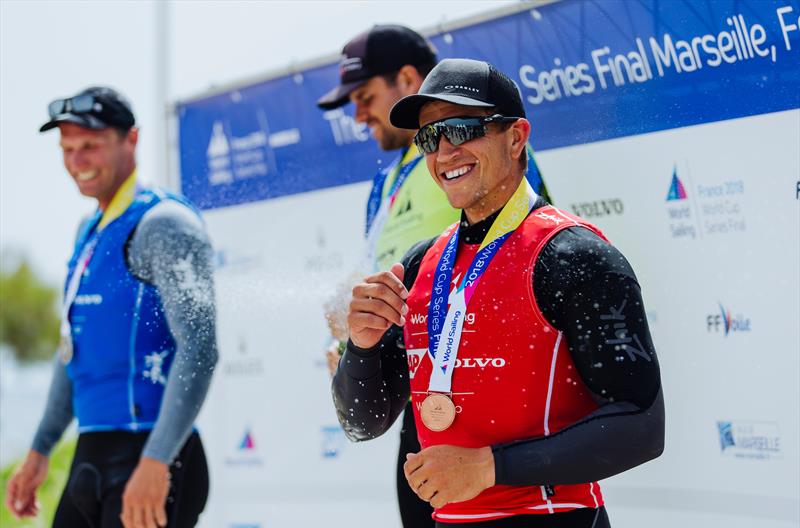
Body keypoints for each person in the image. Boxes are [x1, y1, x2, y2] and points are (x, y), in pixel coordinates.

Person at [332, 59, 665, 527]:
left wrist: (490, 467)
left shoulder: (574, 256)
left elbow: (642, 427)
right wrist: (361, 348)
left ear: (516, 137)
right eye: (430, 137)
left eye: (463, 129)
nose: (445, 152)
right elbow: (360, 423)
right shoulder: (417, 267)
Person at [4, 87, 218, 528]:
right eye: (67, 149)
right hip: (92, 452)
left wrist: (157, 461)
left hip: (151, 456)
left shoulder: (164, 224)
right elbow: (72, 349)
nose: (76, 161)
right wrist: (40, 448)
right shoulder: (89, 231)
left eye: (90, 146)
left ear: (131, 139)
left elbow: (199, 347)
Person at [317, 24, 458, 528]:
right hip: (417, 418)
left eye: (365, 96)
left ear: (407, 78)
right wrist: (357, 336)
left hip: (486, 414)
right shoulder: (386, 180)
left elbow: (526, 257)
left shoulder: (470, 150)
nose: (357, 114)